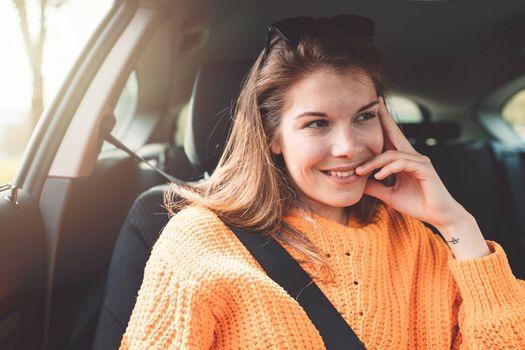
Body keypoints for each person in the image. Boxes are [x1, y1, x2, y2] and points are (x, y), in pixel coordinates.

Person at [120, 15, 525, 349]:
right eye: (317, 123)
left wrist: (456, 223)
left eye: (364, 117)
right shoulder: (198, 241)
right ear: (272, 135)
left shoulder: (418, 242)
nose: (348, 147)